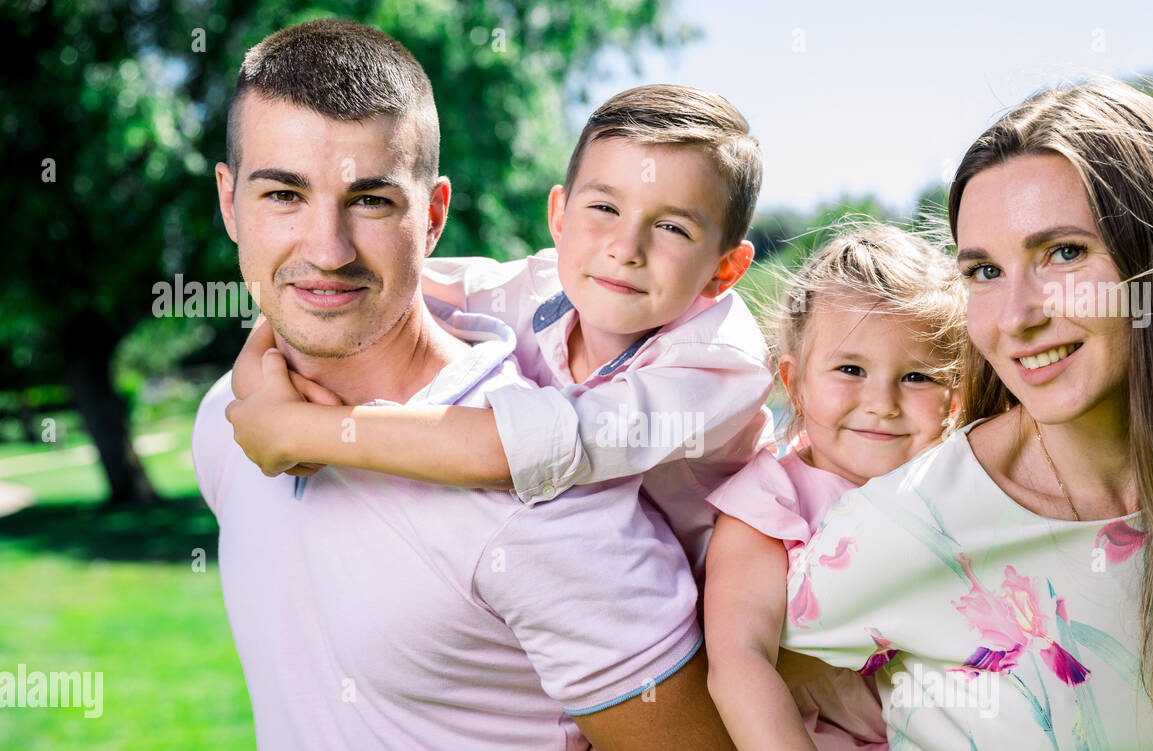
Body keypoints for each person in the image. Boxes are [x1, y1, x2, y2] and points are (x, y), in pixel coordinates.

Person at [195, 18, 768, 751]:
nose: (326, 248)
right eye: (283, 194)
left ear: (432, 215)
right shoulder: (229, 423)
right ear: (228, 202)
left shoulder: (550, 501)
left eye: (371, 200)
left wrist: (309, 429)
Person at [779, 80, 1153, 751]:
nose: (1016, 316)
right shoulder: (906, 528)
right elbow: (721, 683)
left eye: (1062, 253)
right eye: (983, 271)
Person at [225, 83, 773, 585]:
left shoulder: (718, 361)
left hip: (743, 597)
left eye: (672, 227)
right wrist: (261, 383)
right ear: (559, 215)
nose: (625, 248)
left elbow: (527, 448)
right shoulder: (532, 290)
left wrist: (305, 431)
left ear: (725, 269)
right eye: (604, 207)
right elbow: (330, 290)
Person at [704, 223, 966, 751]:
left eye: (917, 377)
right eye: (850, 369)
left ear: (956, 397)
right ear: (793, 385)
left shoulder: (956, 486)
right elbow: (738, 655)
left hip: (925, 750)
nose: (880, 402)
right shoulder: (772, 498)